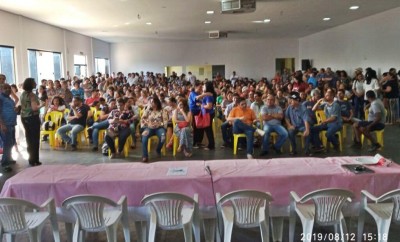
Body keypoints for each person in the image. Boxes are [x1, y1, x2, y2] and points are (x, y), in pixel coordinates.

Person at [20, 78, 43, 166]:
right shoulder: (32, 95)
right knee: (35, 139)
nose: (36, 83)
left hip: (24, 117)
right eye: (34, 82)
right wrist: (42, 105)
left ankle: (31, 159)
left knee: (29, 138)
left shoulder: (23, 94)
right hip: (32, 117)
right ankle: (35, 160)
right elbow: (34, 108)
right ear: (31, 84)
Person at [141, 95, 168, 162]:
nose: (151, 103)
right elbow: (143, 119)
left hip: (159, 128)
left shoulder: (162, 110)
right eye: (150, 102)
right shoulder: (147, 110)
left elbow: (165, 120)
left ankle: (158, 150)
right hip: (149, 127)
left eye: (153, 102)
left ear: (157, 102)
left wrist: (159, 124)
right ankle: (145, 156)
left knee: (163, 137)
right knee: (144, 136)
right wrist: (148, 124)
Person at [0, 84, 18, 172]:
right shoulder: (1, 98)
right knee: (7, 143)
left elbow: (11, 108)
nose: (7, 89)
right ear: (1, 89)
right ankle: (5, 163)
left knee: (11, 142)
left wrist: (16, 110)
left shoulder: (9, 98)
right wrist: (2, 124)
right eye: (5, 88)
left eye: (8, 88)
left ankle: (9, 159)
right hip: (4, 124)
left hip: (11, 123)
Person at [201, 81, 216, 150]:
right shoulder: (208, 95)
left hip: (208, 114)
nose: (202, 87)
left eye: (204, 86)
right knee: (208, 129)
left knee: (208, 130)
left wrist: (202, 105)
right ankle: (210, 144)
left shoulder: (208, 96)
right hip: (209, 114)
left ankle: (211, 146)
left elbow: (209, 106)